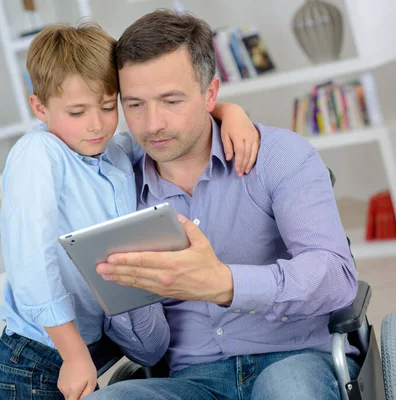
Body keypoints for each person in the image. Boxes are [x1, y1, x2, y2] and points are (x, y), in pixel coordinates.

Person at [89, 9, 360, 400]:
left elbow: (336, 276)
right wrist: (121, 289)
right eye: (134, 105)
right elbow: (147, 350)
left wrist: (225, 284)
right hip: (192, 380)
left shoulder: (279, 155)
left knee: (287, 390)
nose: (152, 124)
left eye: (171, 100)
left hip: (295, 358)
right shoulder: (115, 185)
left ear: (210, 94)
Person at [0, 20, 260, 400]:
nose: (97, 125)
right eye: (77, 112)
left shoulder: (112, 151)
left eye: (108, 107)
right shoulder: (39, 154)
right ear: (39, 107)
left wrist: (229, 112)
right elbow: (30, 263)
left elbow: (164, 132)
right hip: (37, 359)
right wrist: (74, 354)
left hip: (92, 352)